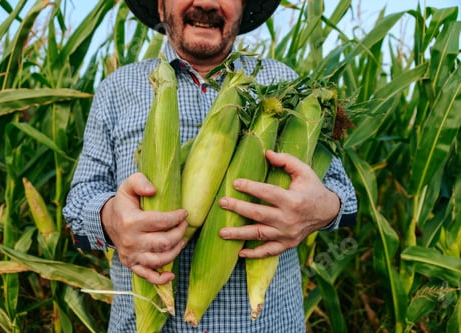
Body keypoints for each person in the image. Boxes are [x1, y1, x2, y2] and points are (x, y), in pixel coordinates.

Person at [63, 0, 358, 331]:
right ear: (161, 7)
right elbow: (79, 202)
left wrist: (322, 208)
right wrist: (110, 219)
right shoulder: (117, 89)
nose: (205, 2)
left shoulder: (287, 86)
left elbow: (344, 197)